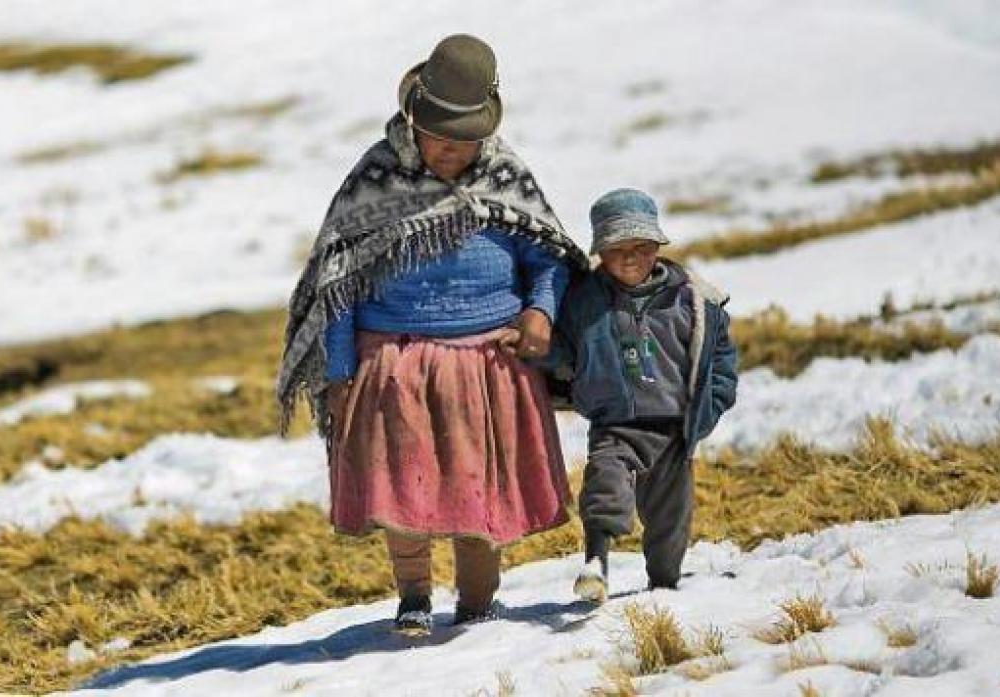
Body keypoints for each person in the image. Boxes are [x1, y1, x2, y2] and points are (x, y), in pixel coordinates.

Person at [277, 34, 587, 636]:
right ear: (413, 123)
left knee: (481, 488)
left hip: (487, 361)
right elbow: (340, 283)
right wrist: (338, 372)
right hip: (394, 361)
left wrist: (540, 314)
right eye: (440, 140)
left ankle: (478, 604)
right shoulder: (375, 180)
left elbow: (549, 258)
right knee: (404, 483)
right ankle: (413, 597)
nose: (450, 154)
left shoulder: (504, 175)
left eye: (464, 142)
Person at [549, 188, 738, 601]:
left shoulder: (692, 299)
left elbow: (720, 355)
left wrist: (714, 401)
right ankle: (595, 562)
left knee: (671, 517)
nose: (631, 257)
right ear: (600, 251)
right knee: (605, 485)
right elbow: (559, 348)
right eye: (618, 249)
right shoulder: (583, 300)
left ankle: (664, 582)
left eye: (642, 246)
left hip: (674, 427)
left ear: (657, 245)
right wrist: (560, 372)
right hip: (615, 422)